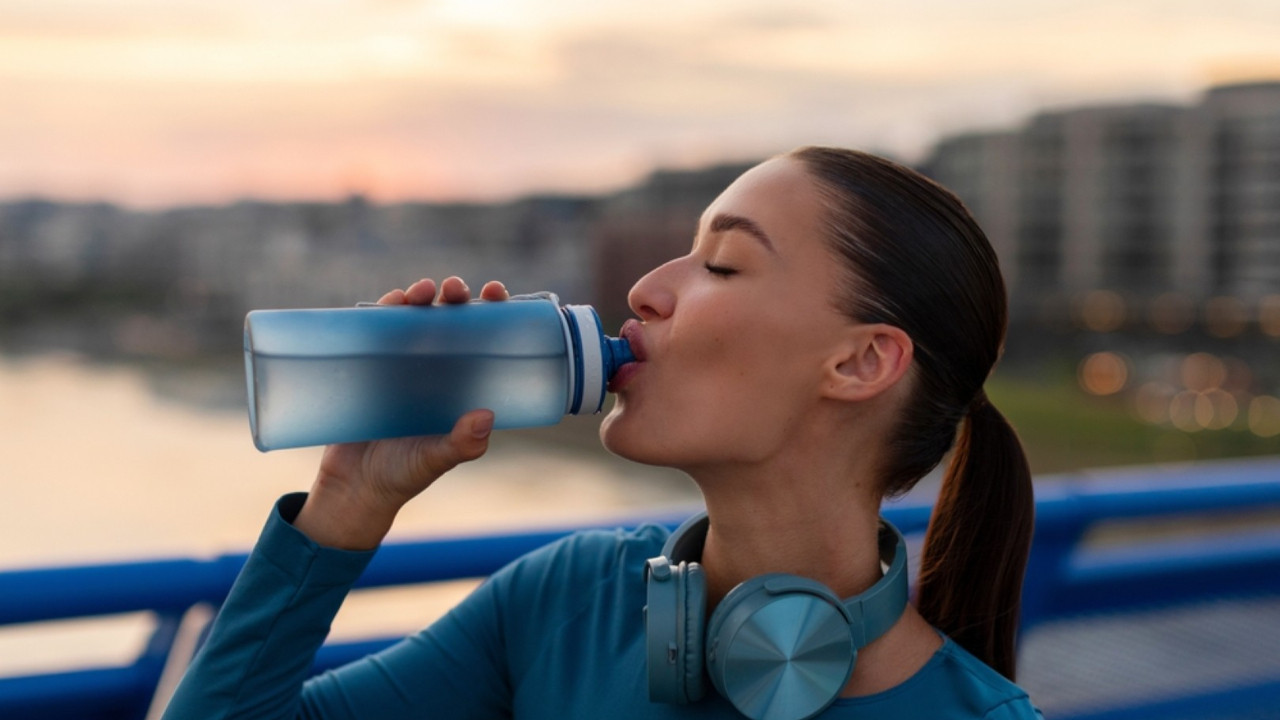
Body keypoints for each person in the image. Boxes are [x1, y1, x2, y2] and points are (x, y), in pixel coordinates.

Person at [162, 147, 1041, 719]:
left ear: (859, 364)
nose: (649, 290)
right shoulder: (567, 601)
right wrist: (345, 506)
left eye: (722, 263)